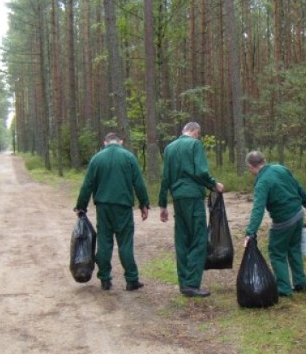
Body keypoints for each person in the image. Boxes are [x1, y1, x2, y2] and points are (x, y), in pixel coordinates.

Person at [75, 132, 150, 291]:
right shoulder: (129, 157)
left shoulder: (97, 159)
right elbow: (139, 183)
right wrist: (144, 203)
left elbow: (87, 185)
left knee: (104, 243)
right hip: (123, 207)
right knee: (125, 243)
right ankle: (131, 280)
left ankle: (105, 279)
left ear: (105, 142)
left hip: (103, 207)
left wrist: (81, 206)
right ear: (121, 142)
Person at [159, 122, 224, 298]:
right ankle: (192, 284)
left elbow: (165, 178)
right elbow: (201, 171)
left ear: (183, 131)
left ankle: (184, 282)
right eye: (198, 134)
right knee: (199, 238)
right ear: (196, 131)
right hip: (193, 197)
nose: (198, 137)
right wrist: (213, 185)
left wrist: (163, 204)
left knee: (182, 239)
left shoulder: (169, 148)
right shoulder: (195, 144)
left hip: (178, 199)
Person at [244, 151, 306, 298]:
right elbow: (297, 186)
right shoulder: (281, 168)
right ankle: (301, 284)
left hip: (284, 221)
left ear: (251, 166)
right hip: (298, 214)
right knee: (294, 250)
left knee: (277, 253)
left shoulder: (262, 182)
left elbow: (258, 209)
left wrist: (250, 232)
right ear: (264, 160)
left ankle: (284, 289)